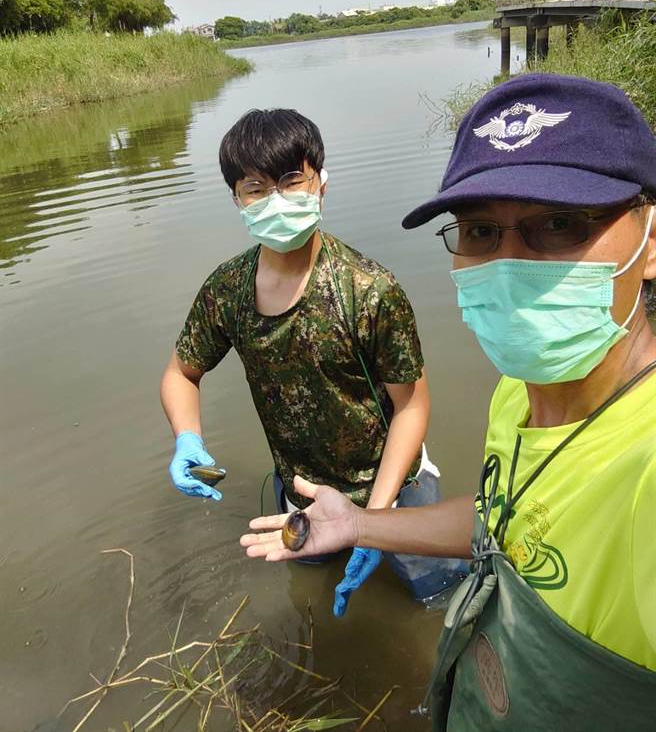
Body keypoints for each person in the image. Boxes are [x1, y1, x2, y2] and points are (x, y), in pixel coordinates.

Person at [240, 75, 656, 730]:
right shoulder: (518, 396)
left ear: (650, 237)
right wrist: (360, 524)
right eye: (482, 230)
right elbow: (510, 521)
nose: (510, 262)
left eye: (560, 224)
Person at [160, 108, 466, 616]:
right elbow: (181, 373)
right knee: (312, 595)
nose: (274, 200)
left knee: (435, 594)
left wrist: (374, 517)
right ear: (236, 199)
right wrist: (186, 438)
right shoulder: (227, 290)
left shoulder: (369, 290)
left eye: (290, 180)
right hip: (301, 494)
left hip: (394, 486)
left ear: (320, 183)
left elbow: (412, 407)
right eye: (255, 188)